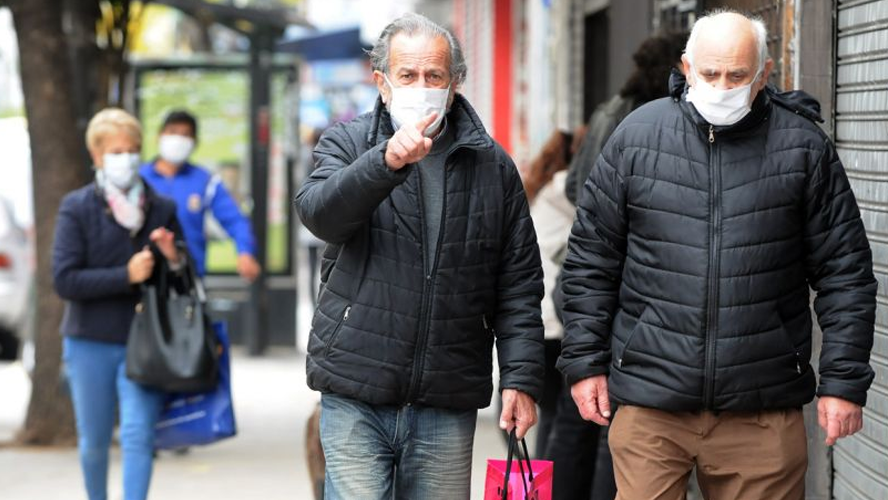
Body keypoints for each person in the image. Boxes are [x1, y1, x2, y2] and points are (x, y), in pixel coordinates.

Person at [559, 10, 877, 500]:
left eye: (737, 76)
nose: (721, 87)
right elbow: (590, 263)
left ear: (764, 74)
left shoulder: (803, 148)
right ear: (686, 68)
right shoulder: (636, 138)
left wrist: (842, 382)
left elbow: (846, 274)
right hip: (650, 405)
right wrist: (585, 363)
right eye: (709, 74)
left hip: (762, 411)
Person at [295, 12, 545, 499]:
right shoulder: (348, 143)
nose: (421, 86)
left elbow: (517, 285)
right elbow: (320, 215)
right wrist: (385, 162)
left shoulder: (493, 167)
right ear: (382, 83)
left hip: (446, 398)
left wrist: (520, 378)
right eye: (407, 75)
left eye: (434, 76)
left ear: (455, 85)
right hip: (355, 389)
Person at [547, 32, 688, 500]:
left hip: (582, 285)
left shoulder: (608, 110)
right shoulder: (651, 122)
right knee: (616, 424)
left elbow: (572, 190)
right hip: (626, 287)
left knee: (574, 421)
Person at [53, 108, 184, 500]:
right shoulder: (77, 208)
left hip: (143, 342)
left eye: (132, 150)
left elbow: (181, 278)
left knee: (138, 436)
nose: (125, 158)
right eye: (115, 151)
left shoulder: (161, 208)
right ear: (96, 155)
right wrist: (124, 275)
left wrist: (172, 257)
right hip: (89, 341)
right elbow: (64, 279)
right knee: (94, 441)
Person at [140, 110, 260, 281]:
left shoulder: (204, 181)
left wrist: (245, 252)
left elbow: (235, 219)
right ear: (160, 135)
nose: (178, 140)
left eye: (185, 134)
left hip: (189, 277)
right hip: (145, 277)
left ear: (195, 141)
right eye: (173, 132)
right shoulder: (140, 178)